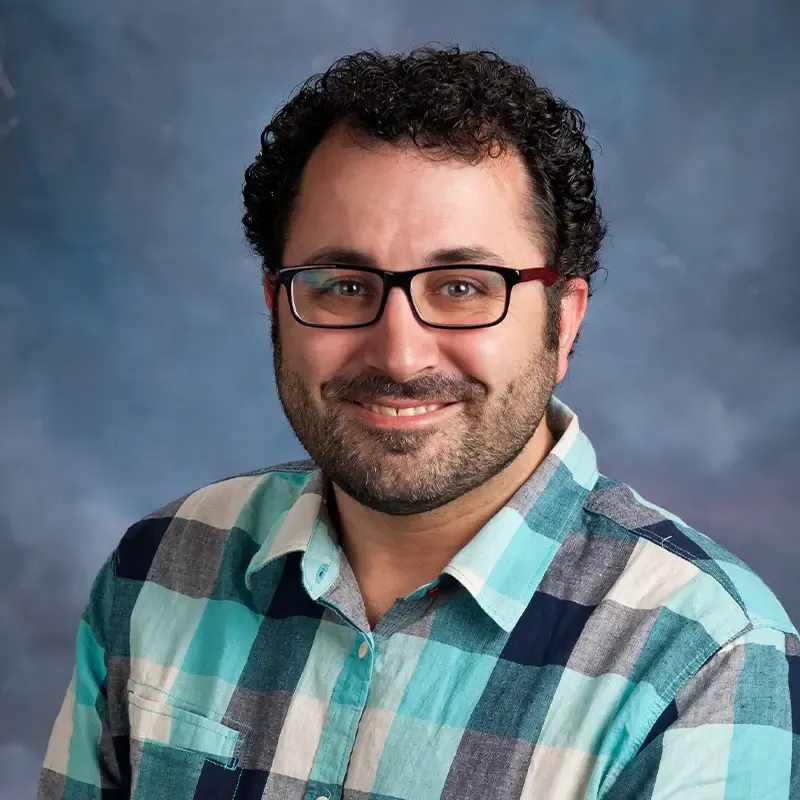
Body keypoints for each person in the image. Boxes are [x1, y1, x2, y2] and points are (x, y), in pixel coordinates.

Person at [39, 45, 799, 800]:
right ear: (276, 306)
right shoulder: (160, 568)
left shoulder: (704, 655)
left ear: (563, 321)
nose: (400, 354)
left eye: (464, 286)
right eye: (342, 285)